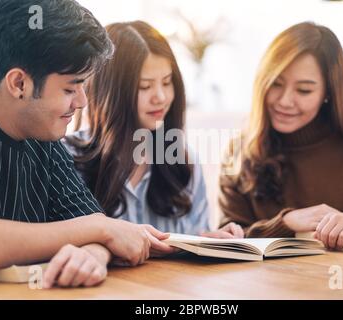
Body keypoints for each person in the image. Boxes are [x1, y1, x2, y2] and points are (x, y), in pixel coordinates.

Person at [0, 0, 170, 289]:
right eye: (71, 88)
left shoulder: (43, 137)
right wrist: (98, 230)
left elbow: (93, 226)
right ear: (19, 83)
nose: (82, 102)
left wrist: (93, 254)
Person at [219, 22, 343, 250]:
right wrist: (286, 223)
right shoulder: (240, 151)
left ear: (328, 92)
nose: (284, 101)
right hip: (268, 284)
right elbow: (229, 236)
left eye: (304, 90)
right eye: (276, 84)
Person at [63, 21, 244, 247]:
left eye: (167, 83)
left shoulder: (184, 163)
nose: (161, 97)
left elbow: (196, 239)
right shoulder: (66, 159)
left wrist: (207, 240)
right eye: (145, 86)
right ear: (110, 92)